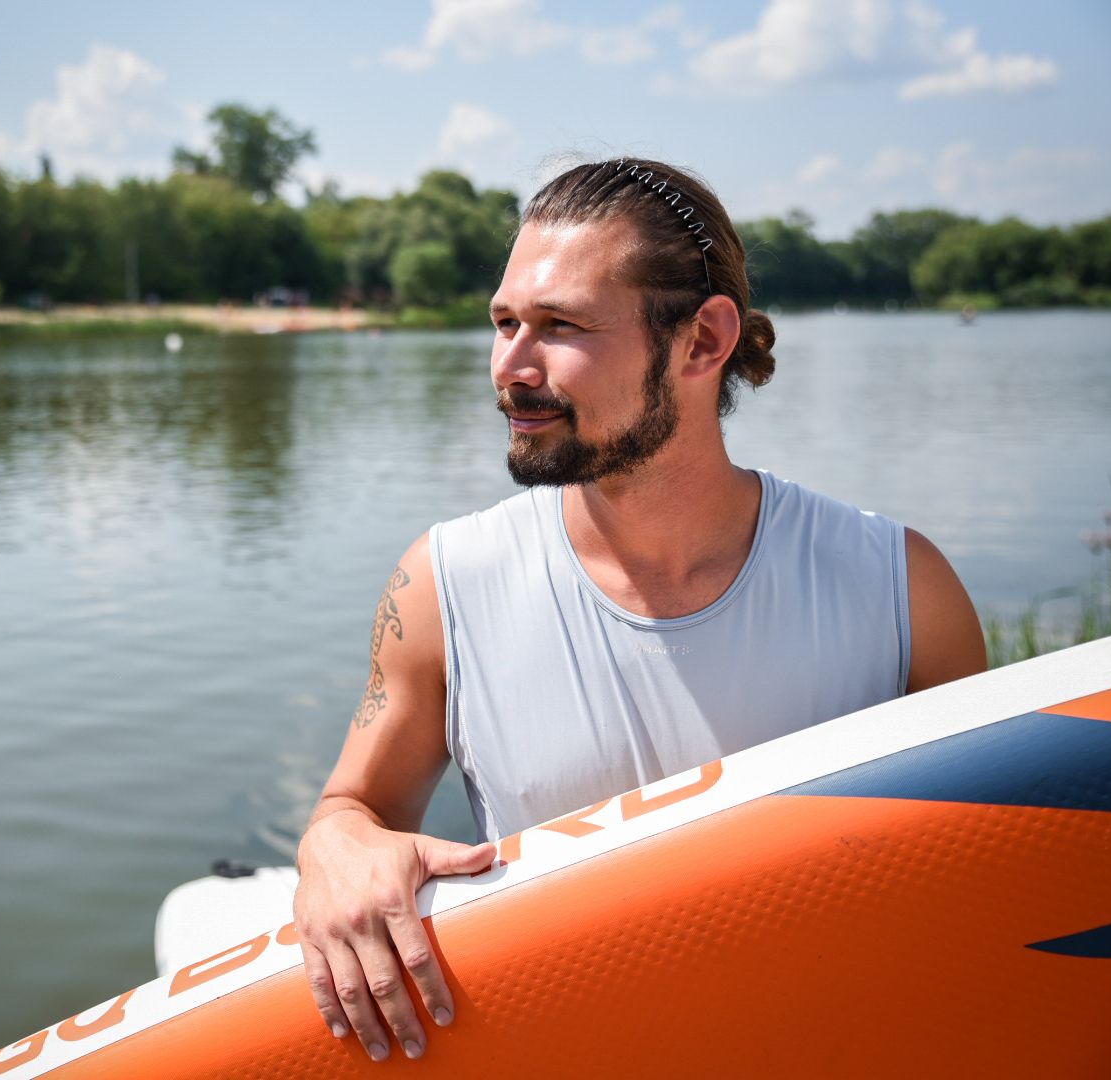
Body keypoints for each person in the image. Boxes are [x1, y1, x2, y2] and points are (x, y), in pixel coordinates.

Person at [291, 158, 987, 1063]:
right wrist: (336, 853)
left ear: (703, 341)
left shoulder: (899, 587)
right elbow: (350, 812)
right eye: (504, 322)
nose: (510, 366)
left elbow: (979, 876)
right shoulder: (446, 584)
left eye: (560, 326)